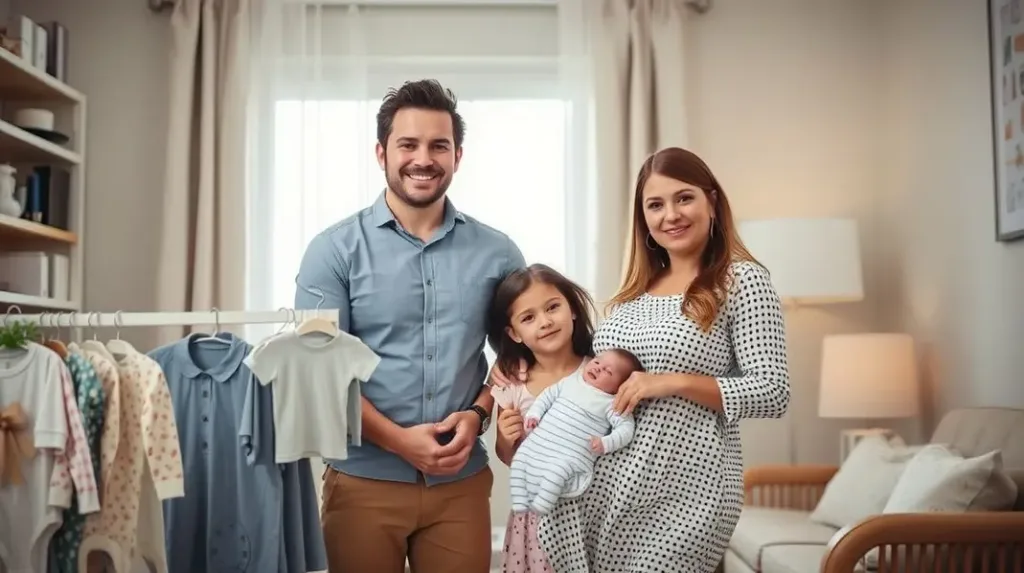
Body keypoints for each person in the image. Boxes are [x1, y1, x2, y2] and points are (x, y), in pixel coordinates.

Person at [493, 147, 791, 572]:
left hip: (689, 493)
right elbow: (590, 383)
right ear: (644, 219)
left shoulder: (742, 281)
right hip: (606, 489)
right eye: (655, 204)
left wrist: (669, 381)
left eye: (684, 197)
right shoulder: (632, 295)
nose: (671, 214)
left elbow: (773, 392)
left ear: (712, 200)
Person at [294, 78, 526, 573]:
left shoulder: (500, 253)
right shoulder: (332, 252)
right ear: (381, 153)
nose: (424, 158)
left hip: (460, 488)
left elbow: (517, 358)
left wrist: (478, 416)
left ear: (457, 156)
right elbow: (320, 374)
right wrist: (400, 442)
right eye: (408, 144)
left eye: (438, 145)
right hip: (361, 485)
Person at [486, 263, 595, 573]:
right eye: (528, 318)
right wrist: (507, 438)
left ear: (572, 309)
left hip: (593, 513)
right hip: (538, 521)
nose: (545, 322)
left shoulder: (600, 372)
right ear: (514, 333)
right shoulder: (514, 386)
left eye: (553, 307)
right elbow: (508, 457)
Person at [513, 348, 641, 515]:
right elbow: (547, 396)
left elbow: (626, 429)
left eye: (607, 371)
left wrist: (606, 443)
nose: (597, 368)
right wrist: (534, 415)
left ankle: (541, 507)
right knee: (521, 458)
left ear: (619, 387)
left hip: (571, 458)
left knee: (558, 471)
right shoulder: (572, 380)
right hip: (542, 445)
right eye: (596, 362)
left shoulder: (611, 402)